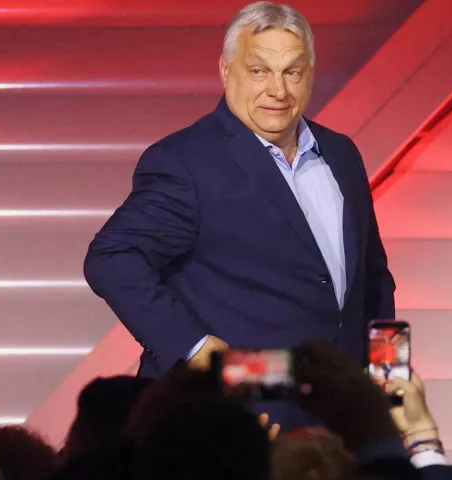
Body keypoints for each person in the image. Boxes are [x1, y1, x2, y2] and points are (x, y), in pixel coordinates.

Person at [83, 1, 395, 429]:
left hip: (336, 426)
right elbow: (112, 258)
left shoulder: (341, 154)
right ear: (227, 71)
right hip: (228, 426)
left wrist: (390, 383)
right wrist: (196, 349)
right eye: (259, 71)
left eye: (292, 71)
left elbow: (373, 279)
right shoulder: (187, 162)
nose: (278, 90)